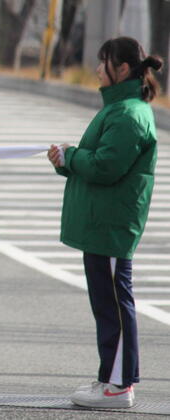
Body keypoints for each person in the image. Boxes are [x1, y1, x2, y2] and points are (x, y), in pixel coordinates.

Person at [48, 37, 162, 410]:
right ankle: (111, 378)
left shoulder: (129, 114)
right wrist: (67, 160)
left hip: (112, 225)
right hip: (104, 223)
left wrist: (72, 156)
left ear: (123, 70)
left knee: (114, 303)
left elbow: (104, 166)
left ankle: (119, 385)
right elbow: (97, 161)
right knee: (108, 303)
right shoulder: (121, 109)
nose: (97, 69)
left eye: (103, 62)